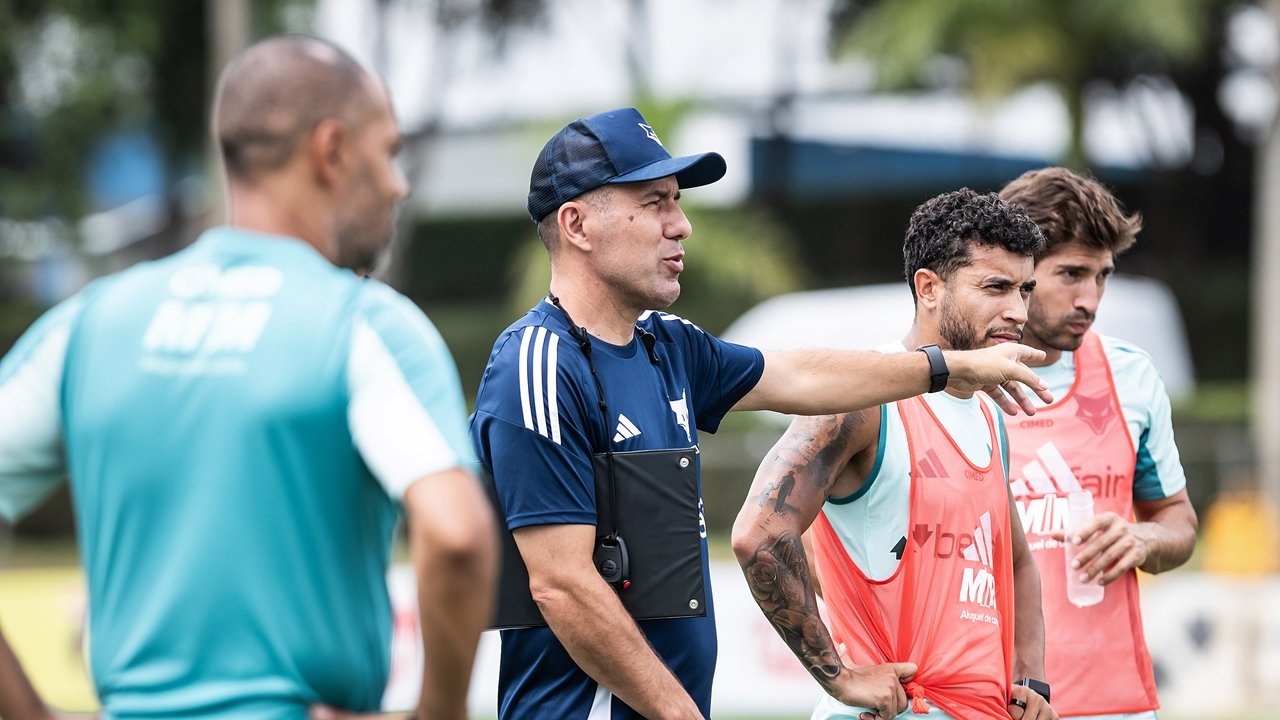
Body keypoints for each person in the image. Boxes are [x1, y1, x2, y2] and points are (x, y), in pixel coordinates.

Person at [470, 108, 1055, 720]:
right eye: (656, 202)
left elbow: (800, 374)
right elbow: (563, 586)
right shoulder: (537, 364)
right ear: (577, 224)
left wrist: (945, 369)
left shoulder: (668, 345)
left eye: (678, 201)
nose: (682, 225)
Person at [0, 35, 497, 720]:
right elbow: (457, 534)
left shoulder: (90, 323)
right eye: (389, 153)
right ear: (332, 152)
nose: (398, 184)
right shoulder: (362, 323)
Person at [732, 189, 1060, 720]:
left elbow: (1015, 560)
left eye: (1024, 289)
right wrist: (839, 676)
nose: (1017, 311)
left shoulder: (988, 412)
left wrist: (1031, 679)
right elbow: (758, 535)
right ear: (928, 288)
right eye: (995, 287)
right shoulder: (862, 398)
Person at [998, 168, 1197, 719]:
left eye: (1102, 276)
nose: (1090, 298)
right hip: (982, 700)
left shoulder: (1131, 377)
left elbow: (1178, 520)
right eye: (1071, 274)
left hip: (1112, 704)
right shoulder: (945, 386)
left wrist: (1142, 538)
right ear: (1017, 270)